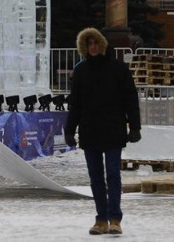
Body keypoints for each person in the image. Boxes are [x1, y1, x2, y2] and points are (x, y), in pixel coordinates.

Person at [64, 27, 142, 236]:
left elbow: (130, 98)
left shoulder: (118, 69)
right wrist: (70, 129)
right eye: (89, 44)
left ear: (103, 44)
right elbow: (76, 104)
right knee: (96, 177)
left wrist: (135, 126)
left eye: (96, 43)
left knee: (113, 175)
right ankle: (101, 219)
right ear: (84, 47)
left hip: (113, 130)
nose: (93, 47)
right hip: (90, 130)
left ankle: (115, 218)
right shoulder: (81, 71)